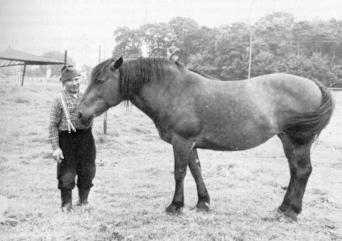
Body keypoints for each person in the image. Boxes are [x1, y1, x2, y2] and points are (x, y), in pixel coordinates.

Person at [48, 65, 96, 212]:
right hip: (66, 140)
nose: (75, 83)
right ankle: (66, 204)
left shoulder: (86, 96)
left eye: (77, 79)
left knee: (87, 171)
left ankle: (83, 201)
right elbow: (52, 125)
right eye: (70, 81)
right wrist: (56, 148)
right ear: (63, 82)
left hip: (86, 139)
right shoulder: (58, 99)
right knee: (67, 173)